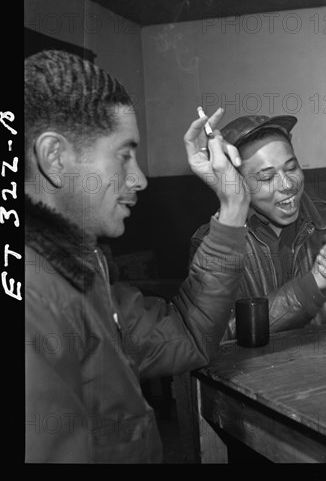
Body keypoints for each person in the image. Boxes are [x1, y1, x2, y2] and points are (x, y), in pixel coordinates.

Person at [24, 50, 250, 463]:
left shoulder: (80, 267)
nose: (140, 179)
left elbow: (186, 334)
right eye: (124, 154)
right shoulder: (32, 298)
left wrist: (233, 203)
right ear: (56, 158)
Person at [190, 115, 326, 340]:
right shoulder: (216, 244)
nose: (288, 185)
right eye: (267, 177)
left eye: (291, 168)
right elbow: (217, 338)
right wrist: (310, 286)